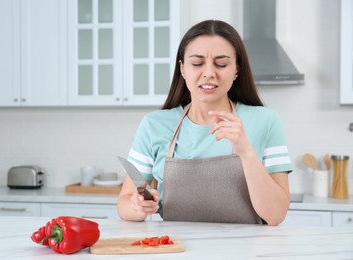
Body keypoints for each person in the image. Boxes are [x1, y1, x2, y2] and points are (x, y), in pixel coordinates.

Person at [117, 20, 292, 225]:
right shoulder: (154, 124)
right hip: (176, 251)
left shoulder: (266, 121)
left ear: (236, 70)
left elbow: (276, 215)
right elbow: (124, 202)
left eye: (221, 64)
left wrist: (245, 152)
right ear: (182, 69)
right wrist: (138, 206)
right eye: (197, 63)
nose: (209, 73)